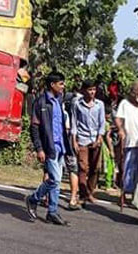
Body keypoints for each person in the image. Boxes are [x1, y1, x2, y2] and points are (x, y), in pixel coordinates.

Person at [25, 72, 69, 226]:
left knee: (55, 182)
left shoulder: (59, 101)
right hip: (49, 148)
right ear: (53, 85)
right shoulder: (41, 102)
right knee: (55, 179)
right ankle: (33, 199)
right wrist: (39, 149)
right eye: (61, 84)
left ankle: (52, 212)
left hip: (60, 147)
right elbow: (34, 128)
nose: (63, 87)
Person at [71, 79, 106, 206]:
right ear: (83, 90)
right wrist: (74, 140)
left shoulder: (99, 104)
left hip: (95, 138)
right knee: (83, 167)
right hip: (82, 138)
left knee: (95, 168)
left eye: (94, 90)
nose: (92, 92)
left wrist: (100, 137)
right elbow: (74, 122)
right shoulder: (77, 104)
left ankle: (90, 192)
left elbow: (102, 123)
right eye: (89, 89)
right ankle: (83, 193)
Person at [116, 81, 138, 201]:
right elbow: (119, 118)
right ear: (134, 91)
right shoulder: (125, 103)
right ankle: (124, 193)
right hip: (130, 140)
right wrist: (120, 129)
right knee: (128, 169)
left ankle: (136, 195)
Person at [63, 80, 82, 210]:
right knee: (73, 169)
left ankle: (47, 197)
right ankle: (73, 198)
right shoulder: (69, 116)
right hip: (70, 142)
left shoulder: (62, 110)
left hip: (60, 143)